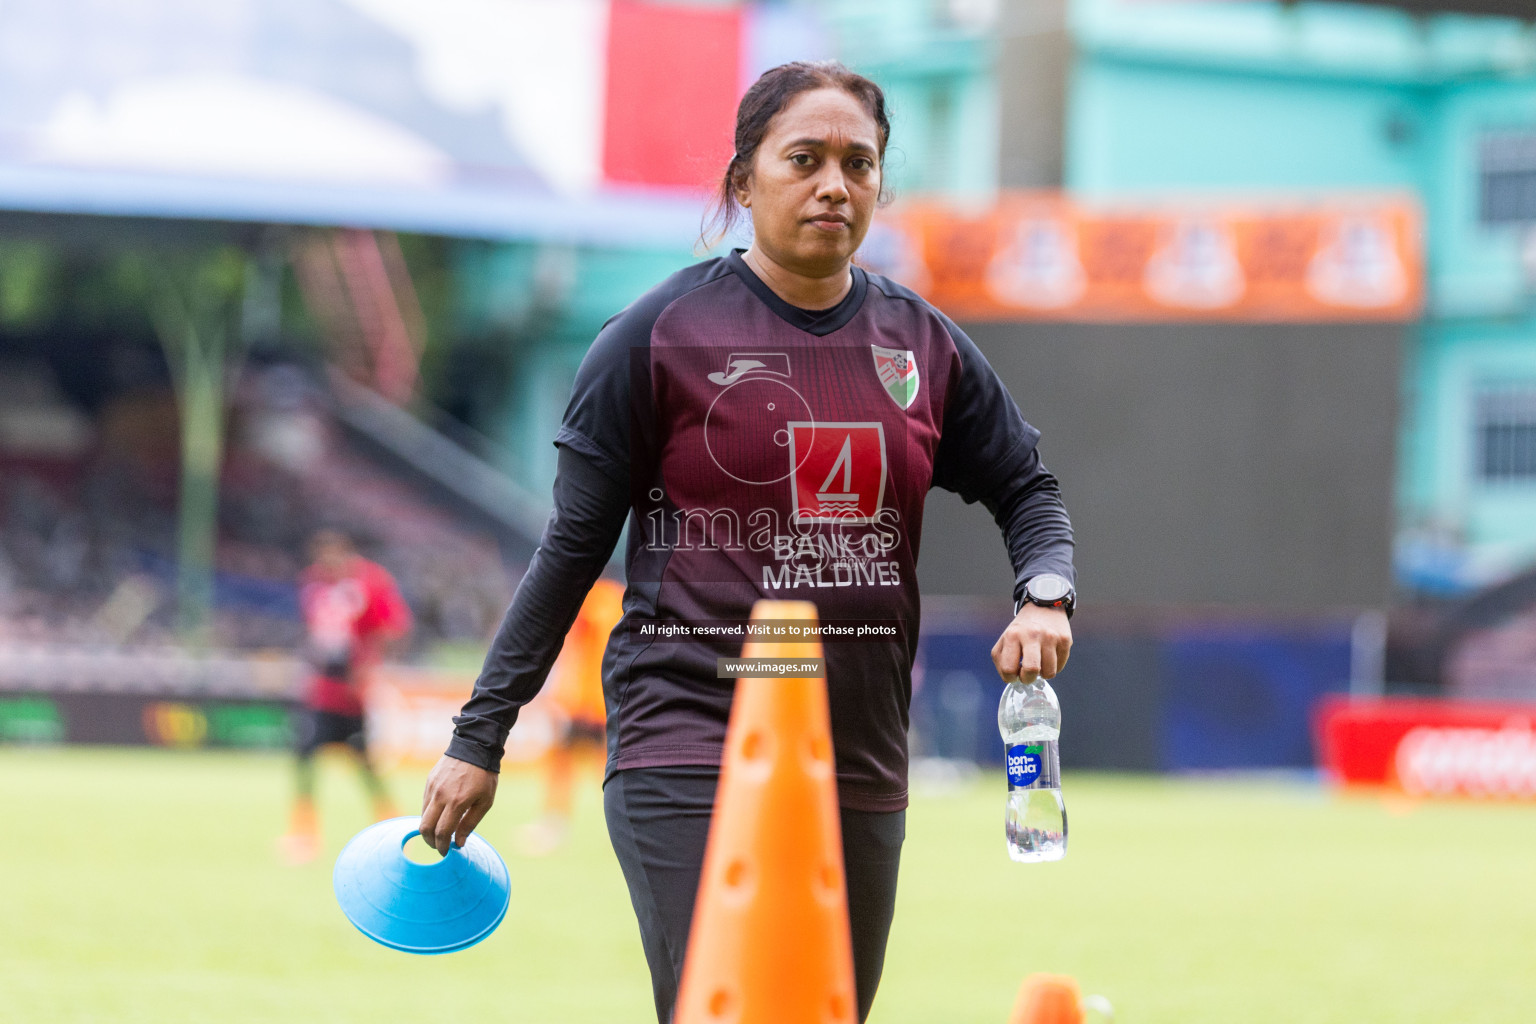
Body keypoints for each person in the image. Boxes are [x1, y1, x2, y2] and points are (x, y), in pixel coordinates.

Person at [419, 61, 1075, 1023]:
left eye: (859, 163)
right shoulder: (654, 338)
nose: (833, 185)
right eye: (803, 159)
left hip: (856, 753)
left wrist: (1046, 593)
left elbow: (1029, 490)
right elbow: (568, 554)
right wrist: (480, 736)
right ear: (743, 179)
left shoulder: (922, 344)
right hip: (685, 741)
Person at [279, 528, 412, 865]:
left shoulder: (372, 581)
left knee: (364, 763)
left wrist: (369, 668)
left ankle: (391, 825)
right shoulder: (313, 582)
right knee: (305, 756)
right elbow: (315, 632)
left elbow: (393, 628)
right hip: (322, 690)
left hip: (354, 692)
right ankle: (303, 832)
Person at [516, 576, 624, 856]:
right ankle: (560, 824)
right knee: (591, 765)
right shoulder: (612, 598)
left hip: (588, 704)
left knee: (591, 766)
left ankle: (555, 825)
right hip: (597, 701)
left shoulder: (596, 600)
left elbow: (591, 649)